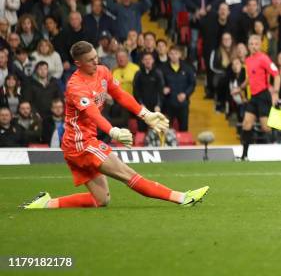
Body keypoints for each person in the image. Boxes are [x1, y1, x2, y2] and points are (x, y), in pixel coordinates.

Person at [20, 41, 208, 209]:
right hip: (81, 144)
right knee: (129, 175)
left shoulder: (102, 71)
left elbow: (119, 94)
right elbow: (92, 113)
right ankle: (183, 198)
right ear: (78, 63)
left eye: (96, 57)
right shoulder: (75, 86)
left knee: (102, 200)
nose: (96, 62)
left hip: (80, 143)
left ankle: (46, 203)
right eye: (90, 60)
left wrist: (145, 114)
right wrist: (113, 131)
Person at [240, 35, 281, 160]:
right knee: (246, 124)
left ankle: (278, 144)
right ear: (248, 46)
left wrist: (275, 93)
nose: (253, 46)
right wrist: (241, 87)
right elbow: (250, 77)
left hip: (263, 95)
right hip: (253, 96)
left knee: (265, 127)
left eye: (256, 44)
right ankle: (244, 155)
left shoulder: (264, 58)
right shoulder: (248, 60)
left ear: (260, 45)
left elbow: (277, 75)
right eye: (251, 44)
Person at [160, 46, 196, 131]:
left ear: (180, 54)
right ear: (168, 55)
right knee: (166, 130)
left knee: (184, 129)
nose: (174, 56)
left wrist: (185, 94)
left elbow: (192, 84)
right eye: (171, 54)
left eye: (176, 53)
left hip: (183, 104)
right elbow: (159, 84)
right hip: (168, 104)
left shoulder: (187, 68)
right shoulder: (163, 68)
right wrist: (163, 89)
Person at [133, 52, 165, 132]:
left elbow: (160, 91)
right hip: (142, 107)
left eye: (149, 59)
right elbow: (136, 91)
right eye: (145, 59)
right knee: (142, 130)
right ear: (142, 61)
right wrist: (141, 104)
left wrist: (159, 105)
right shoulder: (138, 74)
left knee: (155, 131)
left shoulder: (158, 73)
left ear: (153, 60)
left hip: (155, 107)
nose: (148, 61)